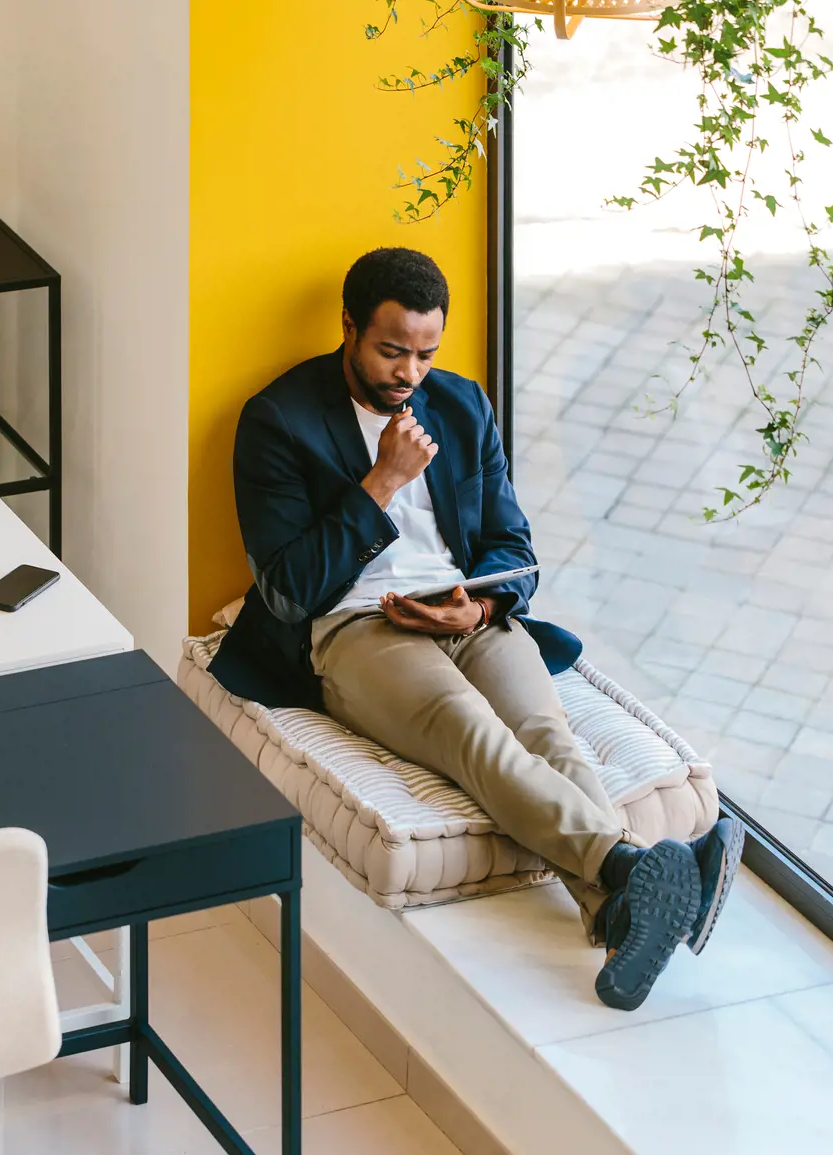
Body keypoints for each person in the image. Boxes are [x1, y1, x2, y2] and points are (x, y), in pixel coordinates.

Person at [210, 247, 743, 1010]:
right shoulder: (278, 420)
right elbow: (288, 589)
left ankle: (621, 912)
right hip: (356, 624)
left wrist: (483, 607)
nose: (409, 372)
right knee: (470, 730)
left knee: (548, 735)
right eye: (391, 351)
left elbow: (512, 545)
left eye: (425, 353)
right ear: (348, 328)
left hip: (468, 611)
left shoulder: (461, 405)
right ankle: (633, 867)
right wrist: (381, 481)